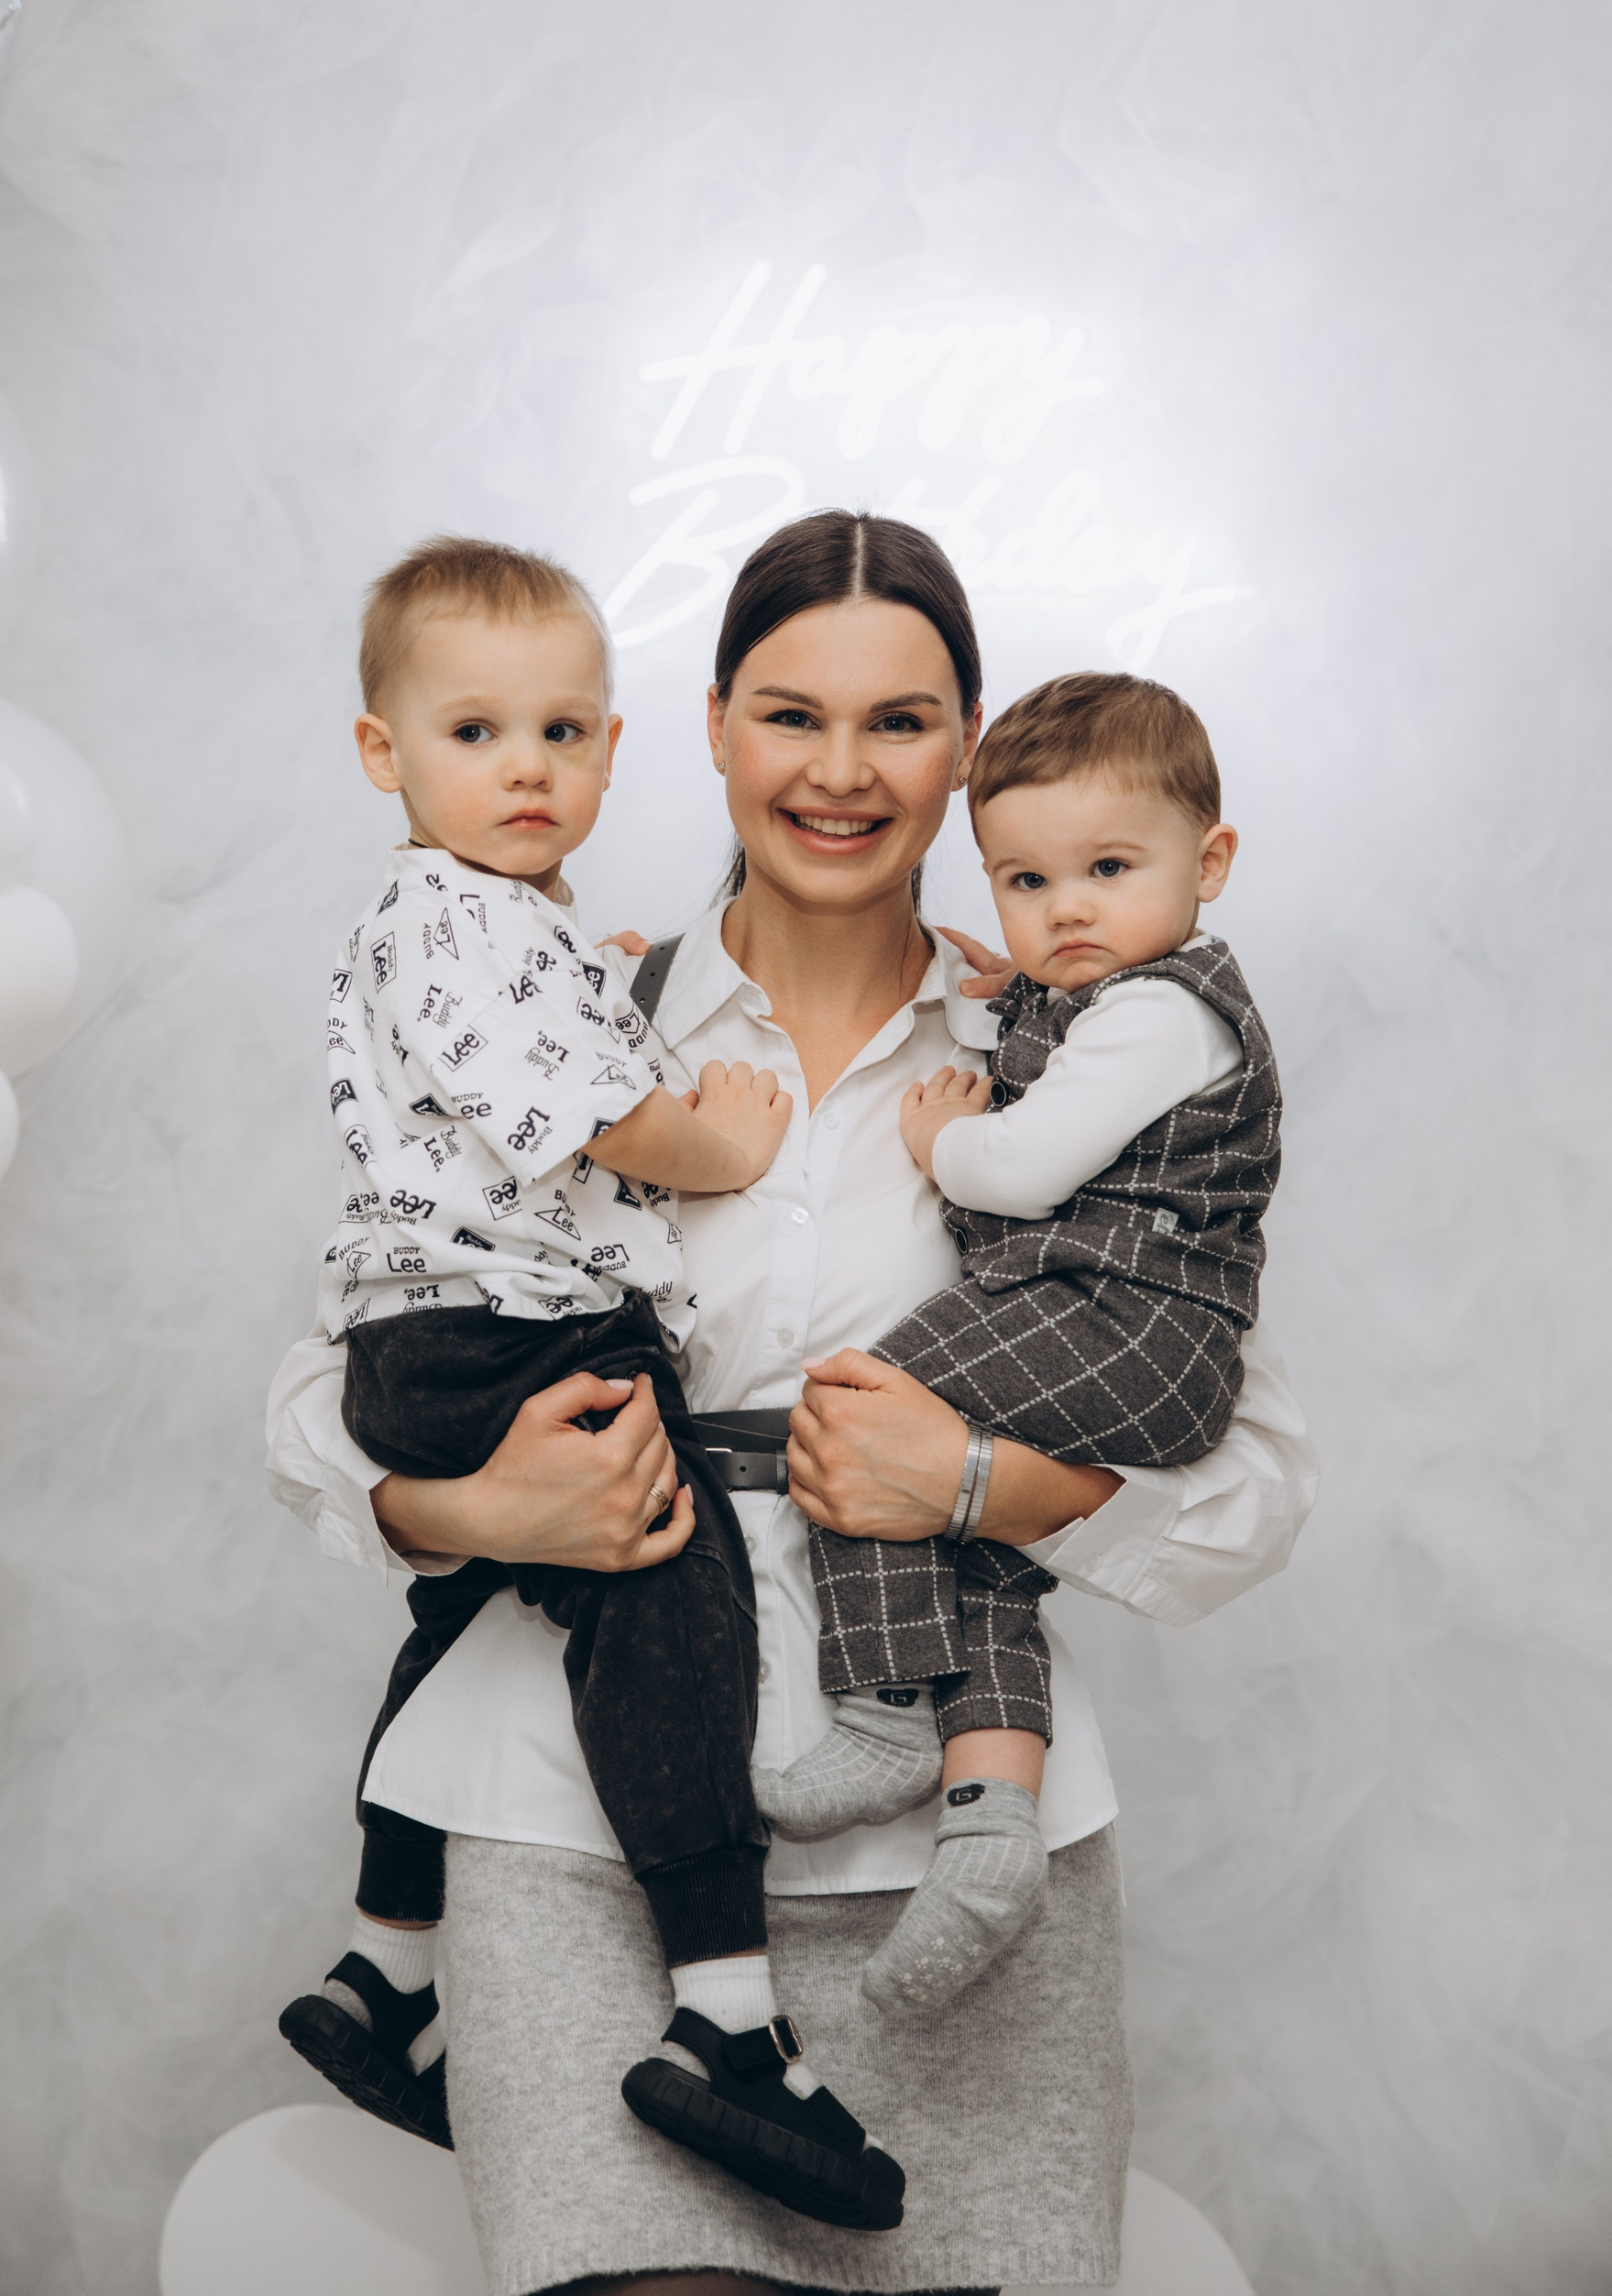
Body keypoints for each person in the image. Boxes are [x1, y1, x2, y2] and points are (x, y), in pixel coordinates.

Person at [268, 508, 1318, 2296]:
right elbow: (329, 1381)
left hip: (959, 1859)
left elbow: (1255, 1477)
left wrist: (980, 1481)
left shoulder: (1073, 1056)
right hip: (575, 1838)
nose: (841, 770)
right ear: (706, 728)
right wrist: (472, 1512)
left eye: (899, 721)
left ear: (966, 749)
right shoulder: (572, 1021)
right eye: (789, 715)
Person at [278, 533, 903, 2232]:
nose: (527, 769)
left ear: (615, 748)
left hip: (450, 1337)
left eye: (560, 734)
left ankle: (381, 1963)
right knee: (669, 1583)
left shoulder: (518, 930)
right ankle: (726, 2015)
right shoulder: (467, 924)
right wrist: (719, 1135)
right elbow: (611, 1123)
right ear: (382, 751)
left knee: (468, 1615)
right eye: (475, 733)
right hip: (513, 1341)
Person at [755, 671, 1280, 2018]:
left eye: (1109, 870)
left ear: (1211, 862)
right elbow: (1068, 1030)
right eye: (1029, 884)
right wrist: (1028, 994)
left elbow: (1026, 1165)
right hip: (1138, 1332)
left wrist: (946, 1138)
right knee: (968, 1533)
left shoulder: (1160, 1013)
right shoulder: (1109, 1000)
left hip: (1128, 1321)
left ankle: (884, 1707)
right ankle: (990, 1824)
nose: (1069, 912)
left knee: (862, 1402)